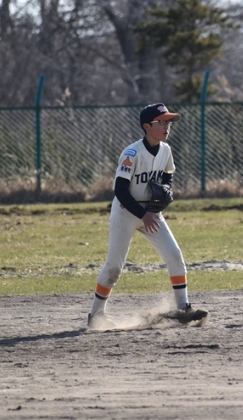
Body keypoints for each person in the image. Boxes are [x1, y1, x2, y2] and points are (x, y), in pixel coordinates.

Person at [88, 103, 209, 329]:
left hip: (151, 212)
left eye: (168, 122)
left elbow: (168, 174)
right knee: (114, 267)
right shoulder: (132, 153)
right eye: (161, 122)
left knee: (175, 255)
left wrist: (165, 189)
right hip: (126, 212)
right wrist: (144, 215)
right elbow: (120, 190)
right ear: (147, 126)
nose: (167, 126)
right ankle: (96, 315)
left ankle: (183, 308)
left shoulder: (166, 150)